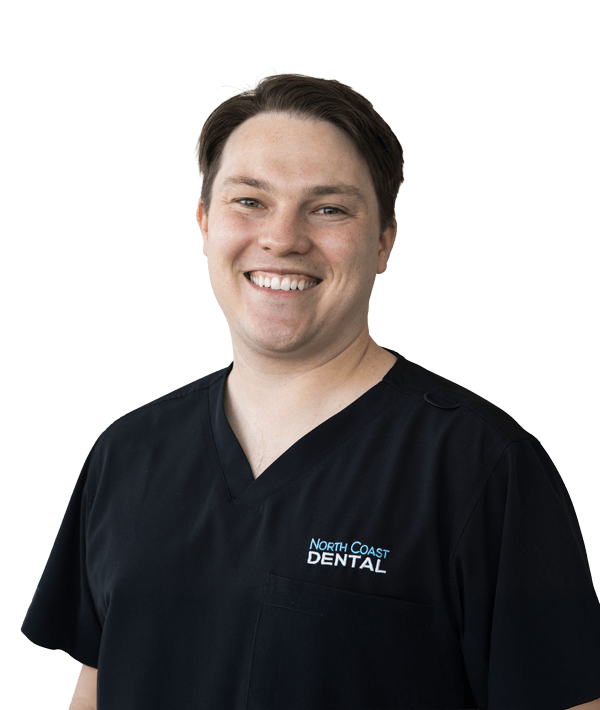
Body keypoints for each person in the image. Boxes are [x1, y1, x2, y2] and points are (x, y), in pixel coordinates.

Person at [21, 70, 600, 710]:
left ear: (385, 241)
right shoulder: (126, 452)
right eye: (250, 201)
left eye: (328, 209)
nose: (282, 238)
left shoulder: (482, 468)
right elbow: (99, 684)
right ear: (204, 221)